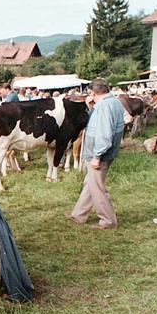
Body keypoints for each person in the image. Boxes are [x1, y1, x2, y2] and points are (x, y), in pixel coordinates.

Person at [66, 79, 125, 230]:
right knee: (90, 184)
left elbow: (104, 134)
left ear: (93, 93)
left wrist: (97, 156)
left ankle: (108, 221)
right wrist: (91, 108)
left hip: (99, 154)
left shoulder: (104, 106)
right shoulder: (113, 102)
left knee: (97, 188)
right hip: (106, 153)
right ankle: (79, 214)